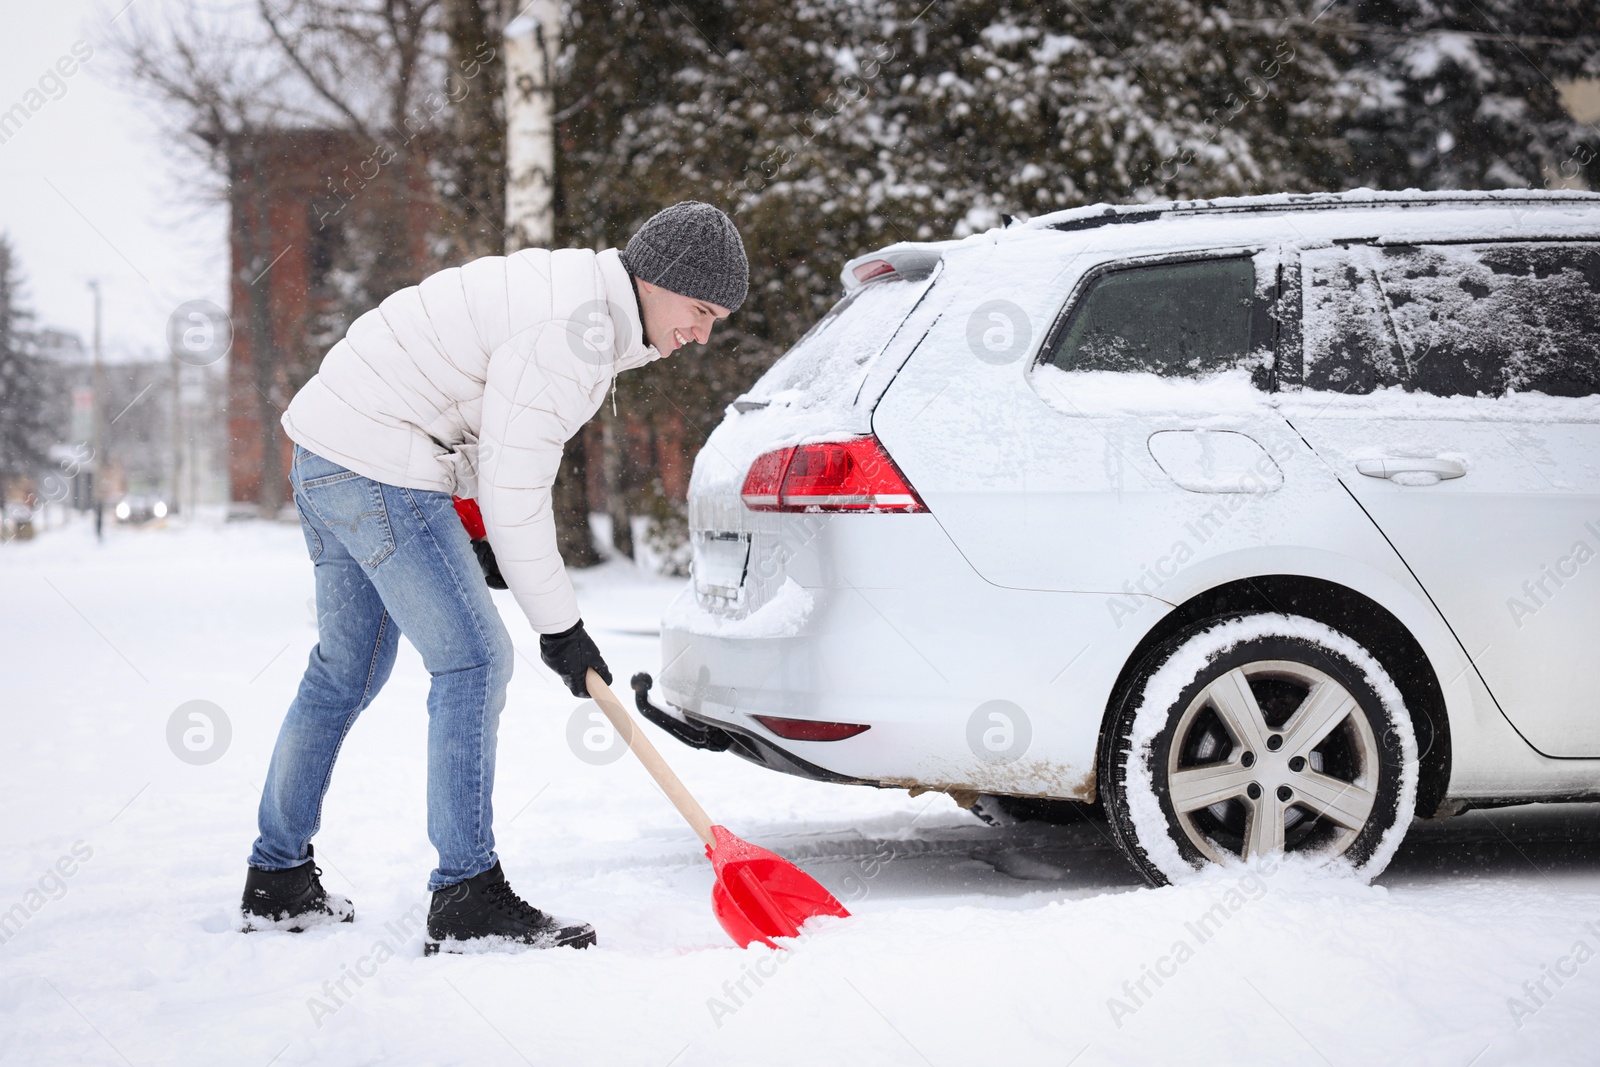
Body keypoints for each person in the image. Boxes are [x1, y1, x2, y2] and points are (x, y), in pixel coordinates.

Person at [239, 201, 748, 952]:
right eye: (700, 309)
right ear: (654, 279)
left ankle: (276, 877)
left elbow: (481, 421)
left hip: (328, 449)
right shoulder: (574, 334)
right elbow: (518, 490)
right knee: (475, 659)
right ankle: (467, 894)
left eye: (718, 318)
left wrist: (470, 531)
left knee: (345, 668)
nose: (703, 333)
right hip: (379, 460)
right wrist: (562, 630)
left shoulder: (579, 300)